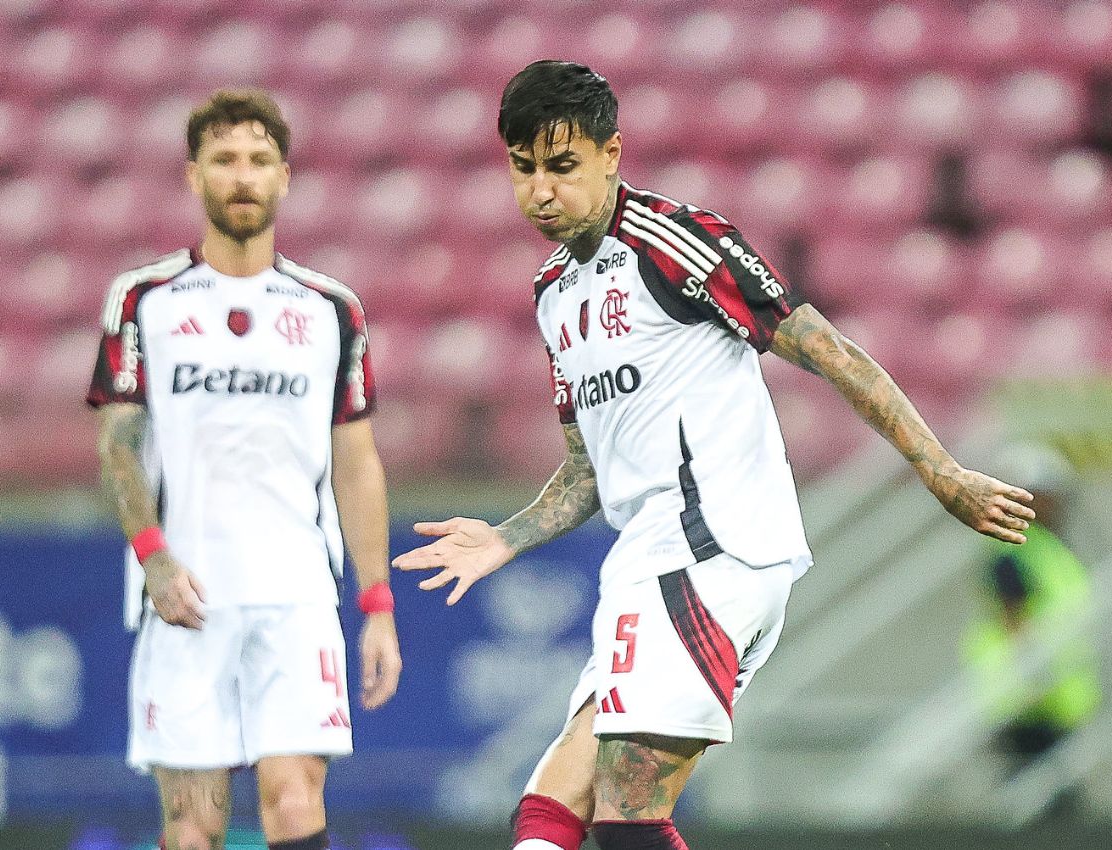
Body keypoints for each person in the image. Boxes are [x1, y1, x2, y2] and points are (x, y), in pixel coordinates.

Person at [394, 61, 1036, 850]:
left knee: (627, 816)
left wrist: (938, 467)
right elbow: (585, 471)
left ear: (611, 153)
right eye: (523, 169)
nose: (540, 191)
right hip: (648, 559)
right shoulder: (553, 291)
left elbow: (824, 348)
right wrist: (506, 537)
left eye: (562, 167)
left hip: (711, 550)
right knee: (552, 799)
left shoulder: (678, 245)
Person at [87, 89, 402, 850]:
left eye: (259, 161)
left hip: (296, 594)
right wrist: (153, 557)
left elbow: (355, 462)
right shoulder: (145, 300)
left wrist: (378, 602)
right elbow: (117, 444)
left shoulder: (331, 308)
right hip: (187, 596)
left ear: (284, 178)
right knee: (192, 827)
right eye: (224, 160)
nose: (242, 176)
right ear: (193, 176)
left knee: (295, 807)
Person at [964, 443, 1100, 772]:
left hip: (1057, 698)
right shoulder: (1013, 551)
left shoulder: (1045, 548)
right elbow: (1014, 618)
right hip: (1030, 700)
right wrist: (1034, 677)